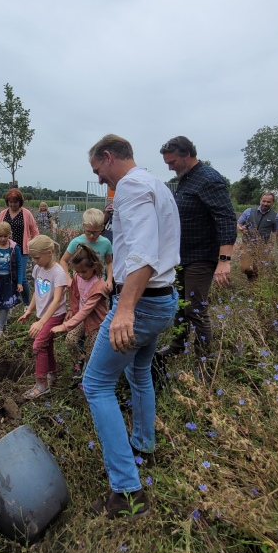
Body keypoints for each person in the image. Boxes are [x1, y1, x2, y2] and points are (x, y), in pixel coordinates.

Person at [83, 134, 180, 519]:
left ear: (108, 158)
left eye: (98, 171)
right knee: (139, 373)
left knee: (96, 384)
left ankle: (127, 493)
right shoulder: (156, 184)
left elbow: (142, 253)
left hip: (139, 304)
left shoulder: (130, 187)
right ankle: (143, 447)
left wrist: (124, 311)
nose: (102, 180)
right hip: (162, 300)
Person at [157, 136, 236, 360]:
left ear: (187, 154)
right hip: (183, 255)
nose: (170, 168)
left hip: (202, 255)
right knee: (180, 304)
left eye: (172, 162)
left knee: (194, 307)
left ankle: (206, 357)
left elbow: (226, 218)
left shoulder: (209, 179)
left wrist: (224, 260)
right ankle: (177, 346)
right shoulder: (186, 178)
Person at [18, 235, 67, 399]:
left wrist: (41, 322)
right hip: (41, 315)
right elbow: (37, 292)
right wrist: (29, 310)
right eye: (33, 257)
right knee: (46, 346)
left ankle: (41, 384)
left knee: (38, 345)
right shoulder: (38, 268)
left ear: (49, 252)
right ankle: (52, 374)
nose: (35, 260)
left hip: (54, 315)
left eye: (37, 257)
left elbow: (57, 300)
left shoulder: (58, 272)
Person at [51, 243, 109, 381]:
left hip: (96, 323)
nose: (81, 275)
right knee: (70, 340)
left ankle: (90, 377)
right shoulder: (78, 277)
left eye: (84, 272)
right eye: (77, 271)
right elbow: (75, 295)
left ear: (94, 267)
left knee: (92, 352)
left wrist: (65, 326)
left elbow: (87, 310)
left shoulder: (99, 287)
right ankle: (79, 360)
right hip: (82, 319)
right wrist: (72, 309)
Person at [0, 188, 39, 307]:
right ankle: (12, 301)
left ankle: (27, 303)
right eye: (10, 202)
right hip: (6, 250)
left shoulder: (26, 213)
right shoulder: (3, 214)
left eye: (15, 202)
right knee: (8, 276)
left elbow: (34, 231)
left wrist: (35, 244)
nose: (13, 204)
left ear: (20, 202)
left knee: (22, 277)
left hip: (22, 250)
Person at [59, 208, 113, 290]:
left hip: (99, 286)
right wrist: (68, 278)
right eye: (88, 231)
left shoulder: (106, 243)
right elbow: (63, 261)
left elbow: (109, 263)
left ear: (102, 228)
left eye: (95, 232)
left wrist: (109, 280)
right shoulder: (76, 242)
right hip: (80, 286)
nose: (92, 235)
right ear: (83, 226)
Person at [237, 192, 278, 280]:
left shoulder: (276, 216)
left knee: (257, 269)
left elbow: (276, 231)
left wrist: (270, 244)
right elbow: (238, 223)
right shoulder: (249, 211)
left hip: (262, 246)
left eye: (268, 202)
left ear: (273, 203)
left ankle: (252, 288)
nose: (265, 203)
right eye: (264, 201)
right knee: (244, 267)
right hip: (247, 244)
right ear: (260, 201)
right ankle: (250, 276)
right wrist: (240, 228)